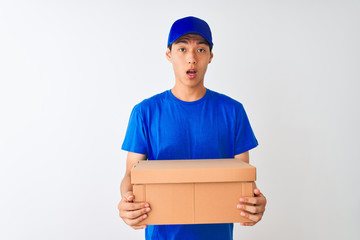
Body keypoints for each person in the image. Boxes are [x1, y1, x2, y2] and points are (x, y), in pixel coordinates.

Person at [117, 16, 267, 240]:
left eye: (200, 50)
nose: (191, 59)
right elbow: (131, 174)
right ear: (169, 55)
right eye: (182, 48)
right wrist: (127, 201)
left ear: (210, 56)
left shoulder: (233, 111)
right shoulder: (145, 112)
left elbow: (243, 178)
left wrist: (254, 203)